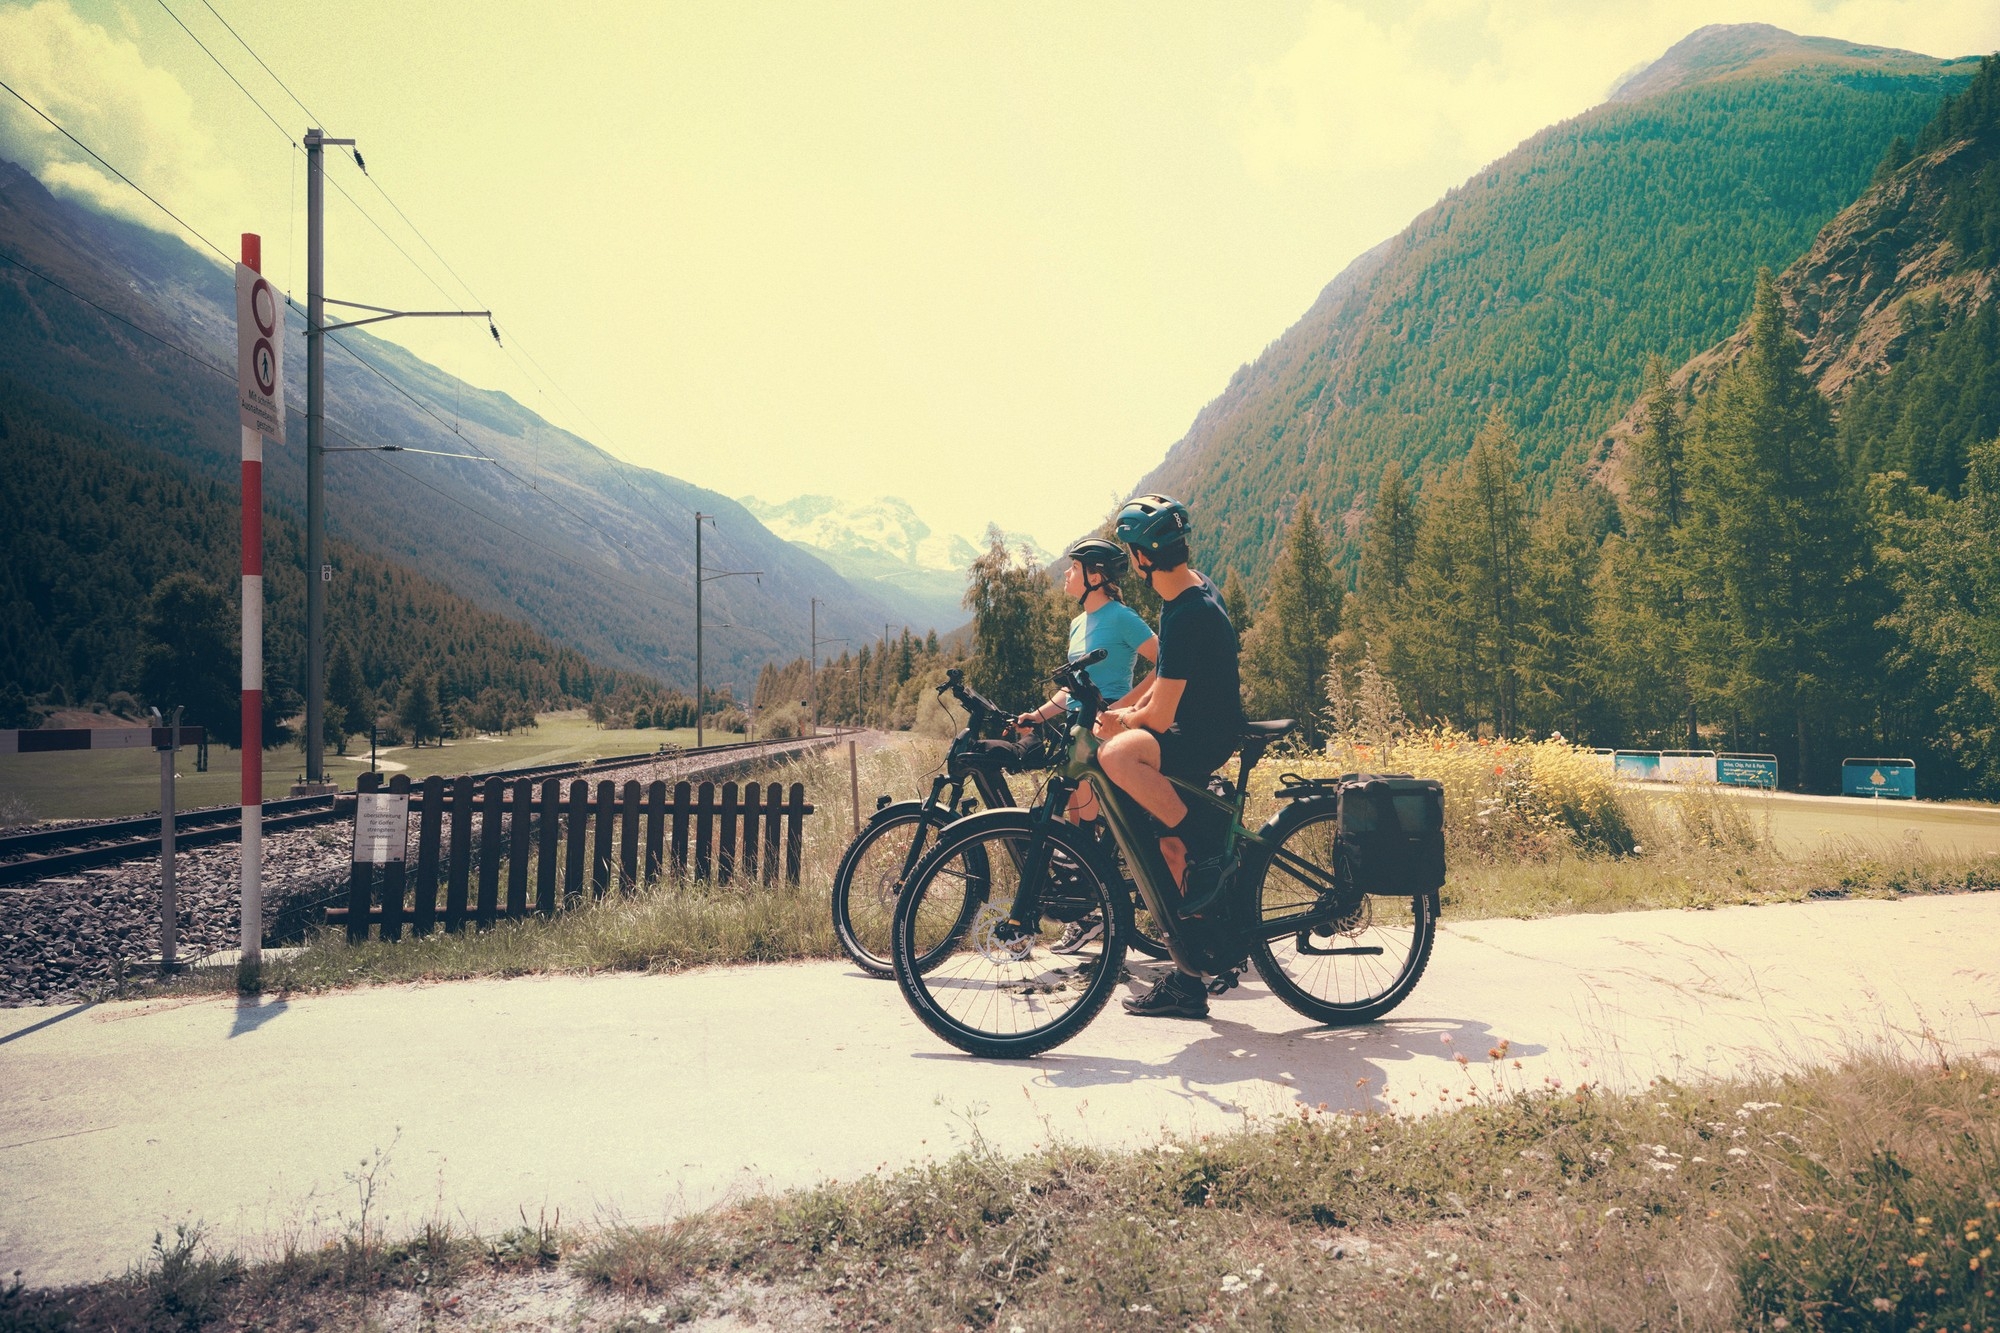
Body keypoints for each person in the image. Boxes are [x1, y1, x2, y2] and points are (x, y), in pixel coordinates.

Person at [1094, 493, 1245, 1019]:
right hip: (1199, 724)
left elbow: (1159, 720)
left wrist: (1125, 723)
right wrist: (1121, 705)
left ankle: (1203, 841)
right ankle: (1189, 978)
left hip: (1201, 733)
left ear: (1141, 556)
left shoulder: (1184, 611)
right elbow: (1164, 675)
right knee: (1164, 847)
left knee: (1117, 757)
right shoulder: (1187, 587)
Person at [1012, 537, 1158, 953]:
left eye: (1073, 568)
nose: (1066, 573)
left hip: (1108, 730)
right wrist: (1037, 716)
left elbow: (1164, 665)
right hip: (1079, 730)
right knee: (1077, 822)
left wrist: (1123, 708)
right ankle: (1089, 913)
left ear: (1096, 576)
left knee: (1082, 823)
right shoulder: (1078, 624)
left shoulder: (1122, 618)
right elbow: (1071, 691)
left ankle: (1094, 914)